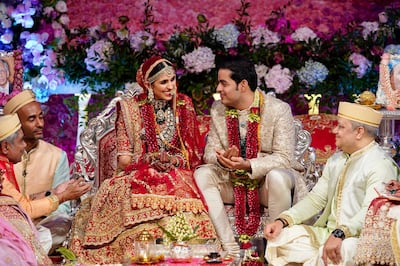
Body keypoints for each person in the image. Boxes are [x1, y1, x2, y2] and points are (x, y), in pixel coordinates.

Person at [69, 56, 218, 264]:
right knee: (126, 195)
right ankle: (143, 254)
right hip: (137, 171)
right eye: (163, 82)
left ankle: (183, 253)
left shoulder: (184, 105)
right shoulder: (130, 109)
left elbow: (192, 153)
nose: (171, 87)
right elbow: (123, 159)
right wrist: (149, 159)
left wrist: (173, 160)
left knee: (182, 194)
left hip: (177, 171)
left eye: (173, 80)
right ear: (148, 85)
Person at [194, 55, 308, 256]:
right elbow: (209, 153)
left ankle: (277, 252)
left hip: (266, 185)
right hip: (232, 181)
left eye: (223, 83)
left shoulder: (277, 109)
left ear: (243, 85)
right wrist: (224, 159)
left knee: (278, 176)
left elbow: (283, 157)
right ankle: (229, 248)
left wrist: (248, 164)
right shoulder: (218, 109)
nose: (218, 89)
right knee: (202, 174)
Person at [263, 102, 400, 265]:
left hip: (360, 240)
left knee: (341, 250)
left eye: (341, 127)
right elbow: (316, 199)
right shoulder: (337, 160)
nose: (335, 131)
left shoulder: (380, 165)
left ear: (359, 132)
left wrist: (340, 233)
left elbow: (370, 212)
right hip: (328, 234)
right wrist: (283, 221)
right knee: (281, 238)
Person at [3, 89, 90, 253]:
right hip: (10, 225)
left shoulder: (57, 156)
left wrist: (54, 194)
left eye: (40, 117)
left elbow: (61, 210)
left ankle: (24, 248)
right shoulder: (5, 162)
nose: (40, 124)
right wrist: (60, 195)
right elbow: (21, 206)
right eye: (31, 119)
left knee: (64, 223)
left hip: (42, 223)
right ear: (17, 124)